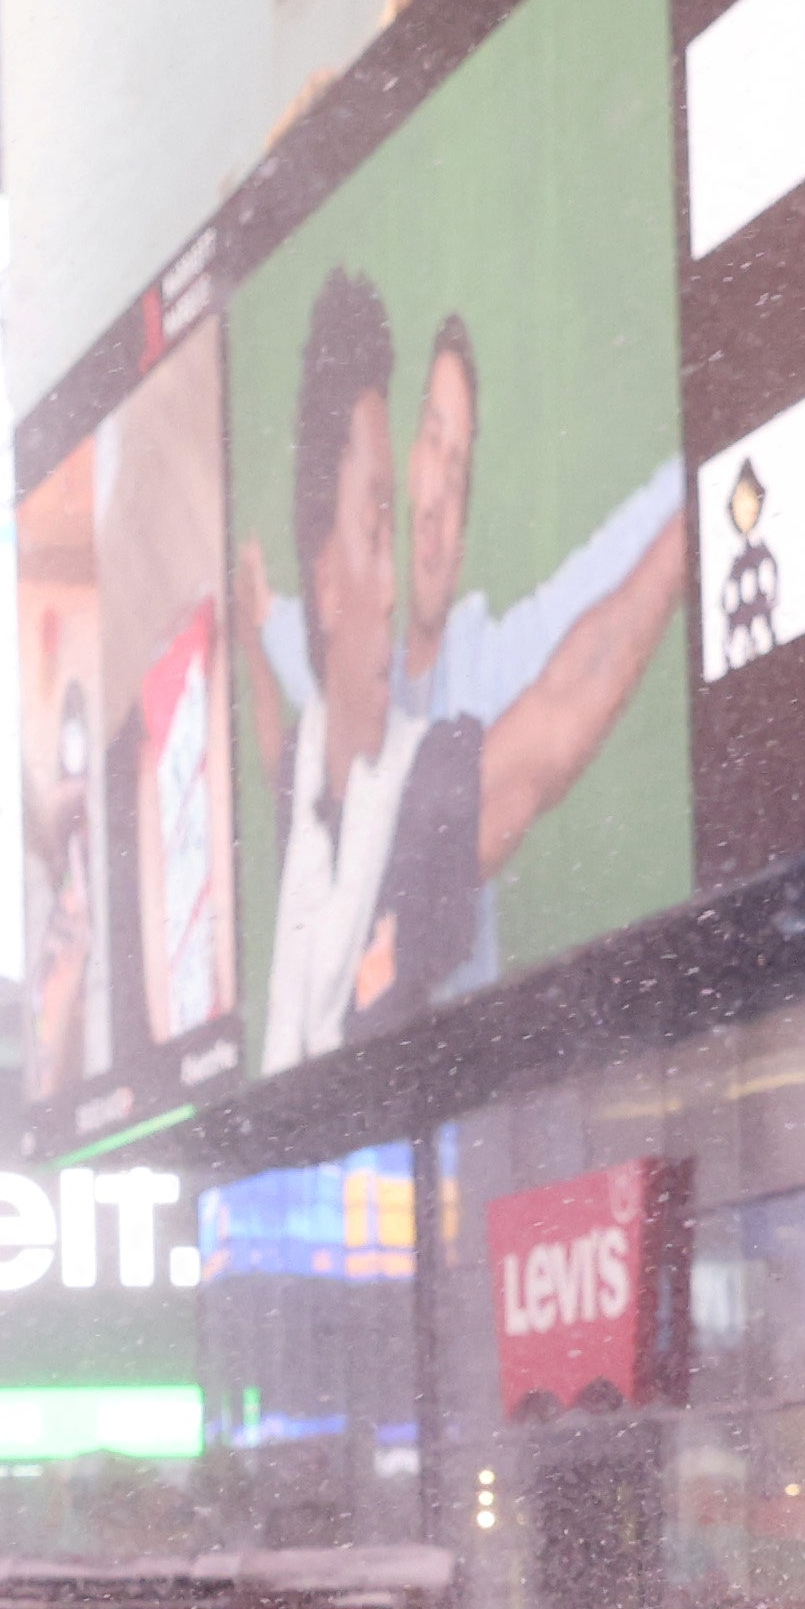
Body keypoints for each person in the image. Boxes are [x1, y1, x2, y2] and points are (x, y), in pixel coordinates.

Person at [243, 269, 688, 1071]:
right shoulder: (367, 788)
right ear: (329, 579)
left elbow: (578, 669)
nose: (440, 495)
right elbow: (574, 693)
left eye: (463, 463)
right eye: (379, 521)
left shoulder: (386, 757)